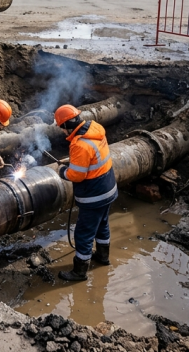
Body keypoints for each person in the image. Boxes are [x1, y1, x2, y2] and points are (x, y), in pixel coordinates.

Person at [54, 104, 117, 281]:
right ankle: (103, 257)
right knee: (102, 225)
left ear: (66, 126)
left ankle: (79, 272)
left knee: (83, 233)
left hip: (94, 195)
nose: (62, 132)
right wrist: (73, 160)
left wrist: (62, 172)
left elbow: (77, 176)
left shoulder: (79, 145)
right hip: (108, 189)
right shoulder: (95, 129)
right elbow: (92, 157)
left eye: (62, 128)